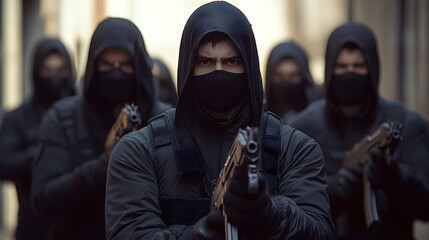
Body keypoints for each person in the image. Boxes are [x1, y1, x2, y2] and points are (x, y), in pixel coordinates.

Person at [105, 2, 335, 239]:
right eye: (205, 62)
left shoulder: (295, 149)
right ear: (188, 67)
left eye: (231, 62)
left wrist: (271, 212)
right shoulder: (139, 151)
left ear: (250, 66)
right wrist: (194, 236)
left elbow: (321, 232)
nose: (219, 71)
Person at [31, 18, 170, 240]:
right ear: (94, 66)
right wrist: (99, 168)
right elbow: (43, 200)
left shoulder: (165, 120)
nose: (116, 72)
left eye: (125, 64)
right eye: (106, 64)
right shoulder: (62, 118)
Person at [287, 22, 429, 239]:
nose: (350, 73)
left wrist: (397, 179)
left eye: (359, 66)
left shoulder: (406, 122)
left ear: (372, 68)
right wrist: (330, 191)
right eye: (342, 67)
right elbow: (285, 208)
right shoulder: (302, 128)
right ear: (329, 69)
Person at [0, 38, 75, 240]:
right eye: (47, 70)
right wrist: (46, 151)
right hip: (32, 226)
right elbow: (4, 164)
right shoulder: (17, 118)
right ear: (36, 71)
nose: (54, 76)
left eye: (60, 70)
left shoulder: (84, 114)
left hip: (79, 225)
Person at [264, 41, 320, 121]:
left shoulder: (318, 117)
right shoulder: (258, 119)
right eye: (279, 75)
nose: (286, 82)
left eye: (293, 75)